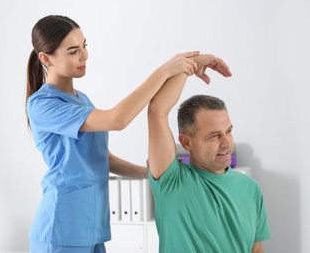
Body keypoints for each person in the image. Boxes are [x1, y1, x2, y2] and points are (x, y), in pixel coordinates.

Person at [25, 14, 218, 253]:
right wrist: (166, 69)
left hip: (93, 227)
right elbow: (118, 119)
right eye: (73, 51)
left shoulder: (81, 100)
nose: (84, 55)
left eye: (84, 46)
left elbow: (102, 158)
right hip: (63, 228)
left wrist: (153, 175)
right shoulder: (43, 105)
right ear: (46, 58)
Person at [147, 55, 271, 252]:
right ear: (186, 142)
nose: (226, 143)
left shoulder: (250, 188)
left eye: (228, 131)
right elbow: (157, 110)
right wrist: (189, 65)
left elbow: (256, 249)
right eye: (214, 136)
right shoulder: (172, 181)